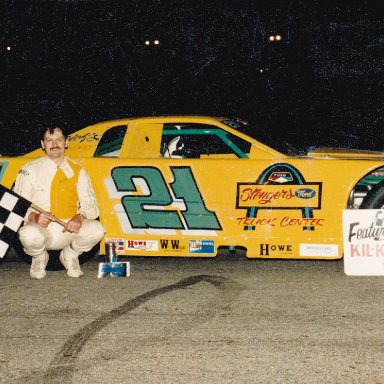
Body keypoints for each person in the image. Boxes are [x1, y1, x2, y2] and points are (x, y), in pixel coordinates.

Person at [13, 125, 105, 279]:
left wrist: (79, 217)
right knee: (28, 234)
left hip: (68, 231)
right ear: (43, 144)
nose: (54, 144)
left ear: (66, 142)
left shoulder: (79, 170)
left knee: (97, 230)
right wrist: (34, 217)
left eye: (59, 140)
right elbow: (17, 206)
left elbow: (91, 206)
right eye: (49, 140)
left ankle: (70, 255)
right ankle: (39, 257)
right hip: (41, 231)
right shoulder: (28, 170)